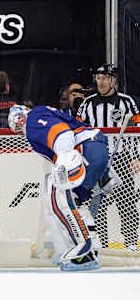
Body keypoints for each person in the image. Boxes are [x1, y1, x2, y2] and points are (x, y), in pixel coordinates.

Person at [8, 104, 110, 271]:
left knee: (58, 196)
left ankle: (83, 250)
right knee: (77, 204)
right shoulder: (42, 114)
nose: (20, 132)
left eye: (17, 128)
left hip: (84, 150)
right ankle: (92, 252)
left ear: (19, 119)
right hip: (94, 149)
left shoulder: (32, 119)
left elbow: (62, 134)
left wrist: (64, 163)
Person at [77, 64, 140, 251]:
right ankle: (101, 243)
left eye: (105, 78)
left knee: (126, 201)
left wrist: (137, 157)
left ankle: (130, 242)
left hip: (120, 157)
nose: (101, 82)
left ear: (113, 80)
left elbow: (138, 130)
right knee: (96, 202)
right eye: (98, 78)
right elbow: (79, 132)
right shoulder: (87, 104)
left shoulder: (127, 102)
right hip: (96, 160)